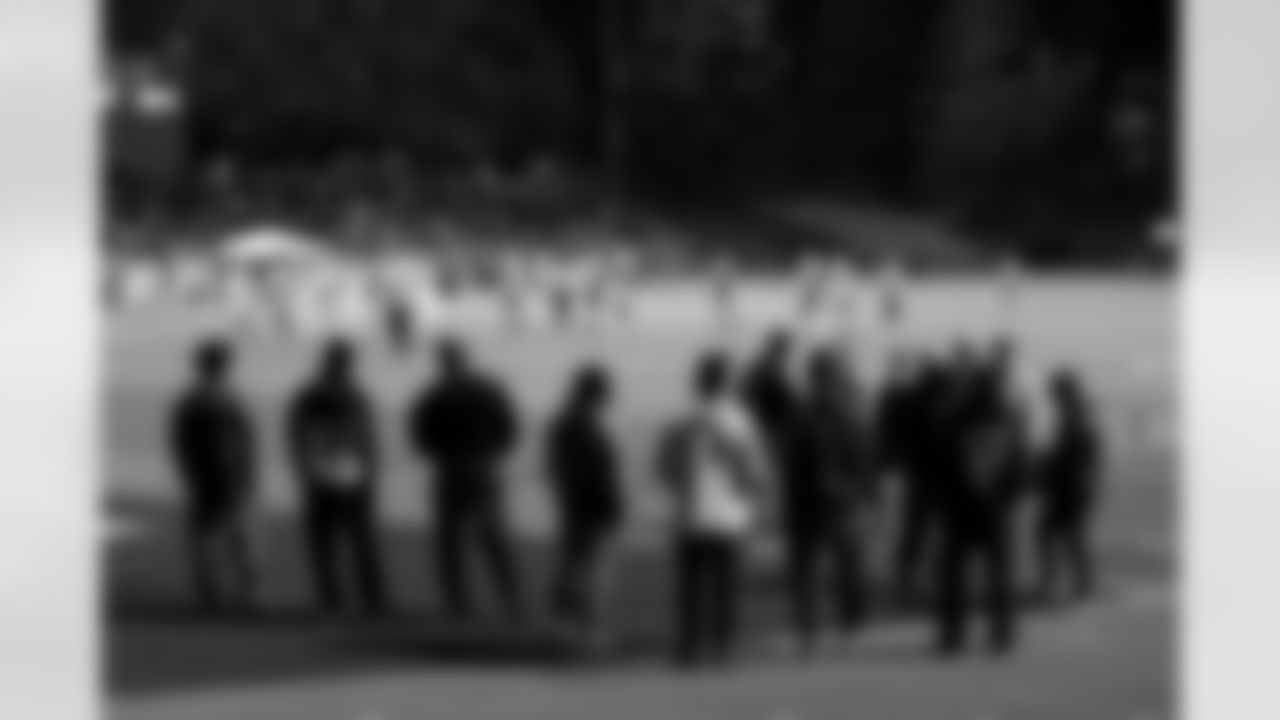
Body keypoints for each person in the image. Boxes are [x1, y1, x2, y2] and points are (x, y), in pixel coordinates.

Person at [657, 352, 769, 666]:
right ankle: (723, 645)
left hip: (691, 512)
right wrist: (752, 493)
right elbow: (754, 469)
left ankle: (689, 645)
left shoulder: (682, 420)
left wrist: (685, 484)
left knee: (690, 586)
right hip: (728, 514)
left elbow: (664, 468)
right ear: (727, 383)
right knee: (725, 586)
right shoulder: (739, 421)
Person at [408, 338, 524, 621]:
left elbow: (420, 437)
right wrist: (490, 453)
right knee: (493, 536)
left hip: (450, 470)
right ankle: (512, 598)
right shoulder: (487, 390)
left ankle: (458, 602)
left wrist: (442, 455)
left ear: (442, 362)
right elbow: (508, 429)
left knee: (451, 542)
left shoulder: (435, 395)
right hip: (482, 467)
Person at [933, 354, 1029, 656]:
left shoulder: (955, 419)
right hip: (995, 509)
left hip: (961, 508)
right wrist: (1007, 499)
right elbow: (1020, 467)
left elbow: (944, 464)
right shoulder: (1009, 418)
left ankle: (953, 634)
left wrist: (946, 499)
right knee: (999, 572)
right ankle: (1001, 633)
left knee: (953, 573)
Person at [783, 347, 877, 654]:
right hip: (832, 502)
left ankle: (816, 629)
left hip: (822, 503)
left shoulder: (807, 414)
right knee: (840, 567)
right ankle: (838, 626)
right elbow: (863, 457)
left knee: (821, 569)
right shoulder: (840, 413)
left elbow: (793, 463)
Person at [287, 339, 387, 616]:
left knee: (325, 542)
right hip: (352, 475)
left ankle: (332, 595)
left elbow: (297, 437)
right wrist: (372, 471)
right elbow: (367, 440)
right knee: (360, 540)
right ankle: (372, 596)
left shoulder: (310, 396)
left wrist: (303, 470)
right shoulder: (354, 395)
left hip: (321, 475)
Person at [168, 339, 258, 613]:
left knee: (216, 539)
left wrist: (190, 474)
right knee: (230, 540)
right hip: (221, 479)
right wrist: (246, 474)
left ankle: (219, 595)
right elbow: (243, 442)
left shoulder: (198, 400)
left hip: (212, 479)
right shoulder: (219, 400)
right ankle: (233, 596)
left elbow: (180, 444)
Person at [545, 363, 624, 649]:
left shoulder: (567, 423)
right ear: (596, 394)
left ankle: (568, 625)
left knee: (575, 567)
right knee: (593, 573)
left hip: (577, 505)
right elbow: (596, 470)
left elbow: (555, 468)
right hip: (592, 507)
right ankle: (587, 630)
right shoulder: (583, 425)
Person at [1036, 369, 1103, 603]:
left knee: (1050, 534)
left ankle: (1055, 585)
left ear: (1062, 392)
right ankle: (1081, 584)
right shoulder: (1078, 414)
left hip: (1069, 489)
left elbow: (1066, 454)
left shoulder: (1072, 417)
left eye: (1054, 392)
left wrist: (1045, 467)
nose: (1051, 397)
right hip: (1076, 487)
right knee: (1071, 536)